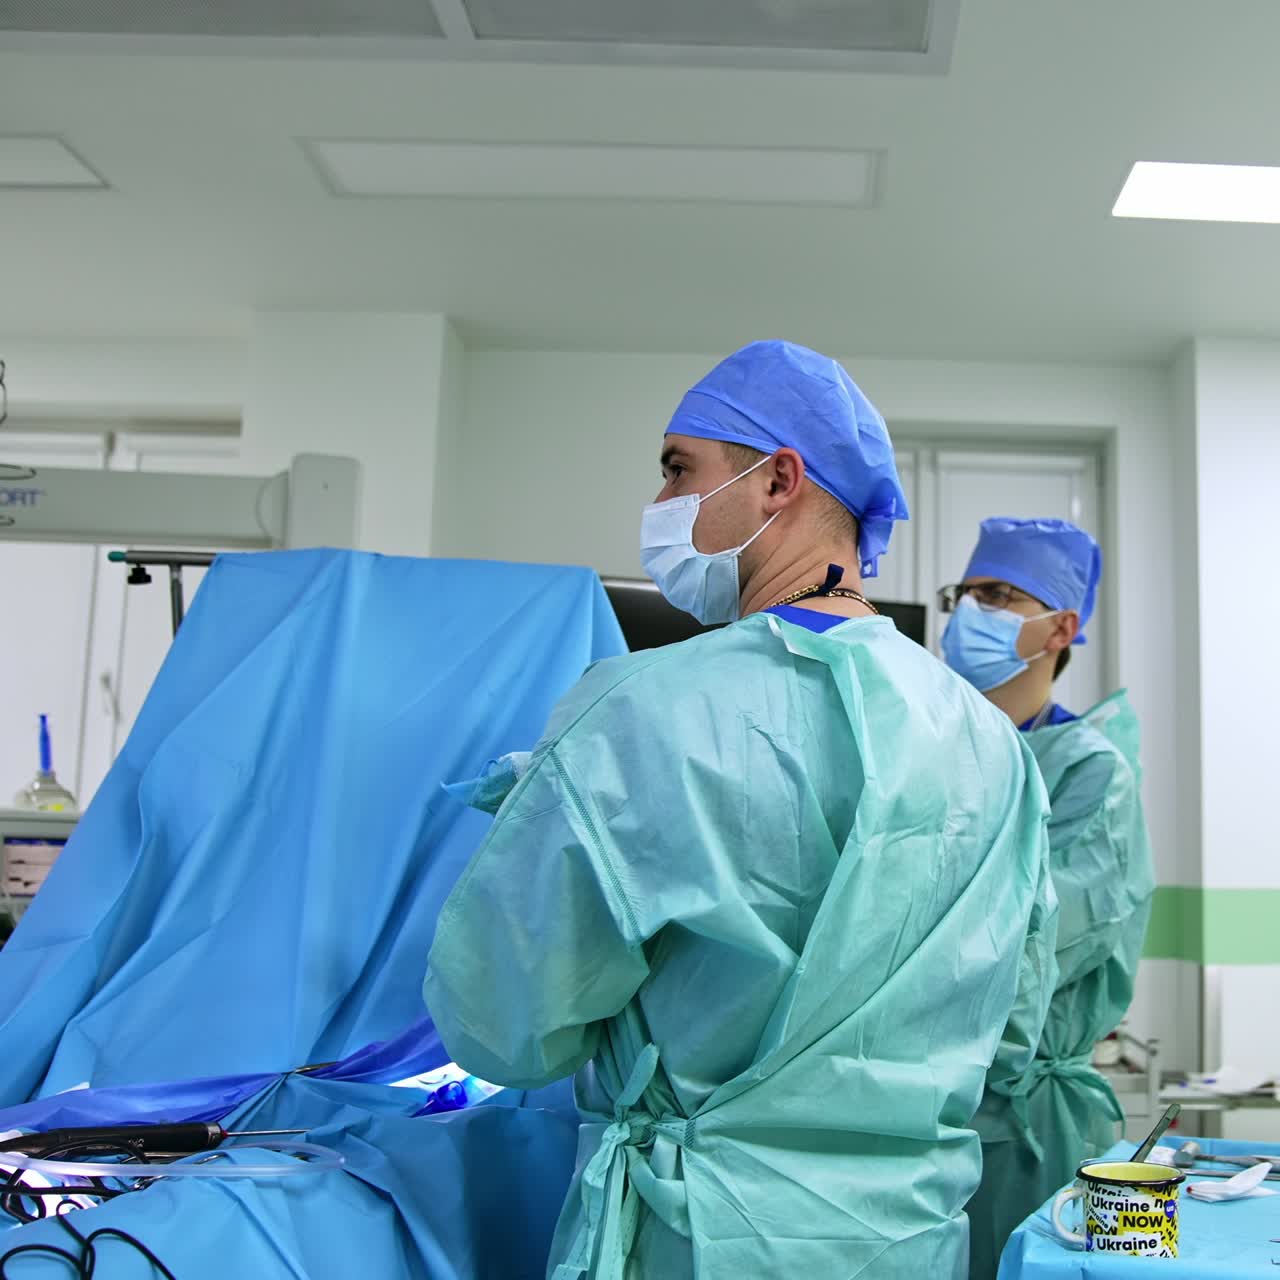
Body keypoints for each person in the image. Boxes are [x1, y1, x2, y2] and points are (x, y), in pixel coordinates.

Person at [424, 341, 1056, 1280]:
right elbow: (1014, 1032)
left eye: (679, 468)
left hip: (702, 1236)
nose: (661, 500)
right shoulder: (992, 746)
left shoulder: (644, 710)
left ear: (778, 481)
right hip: (905, 1245)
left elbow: (506, 1026)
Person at [939, 517, 1155, 1278]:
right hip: (920, 1103)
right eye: (964, 595)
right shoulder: (930, 749)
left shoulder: (1089, 771)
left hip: (1027, 1121)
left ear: (1060, 629)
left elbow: (1038, 932)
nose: (971, 611)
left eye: (999, 595)